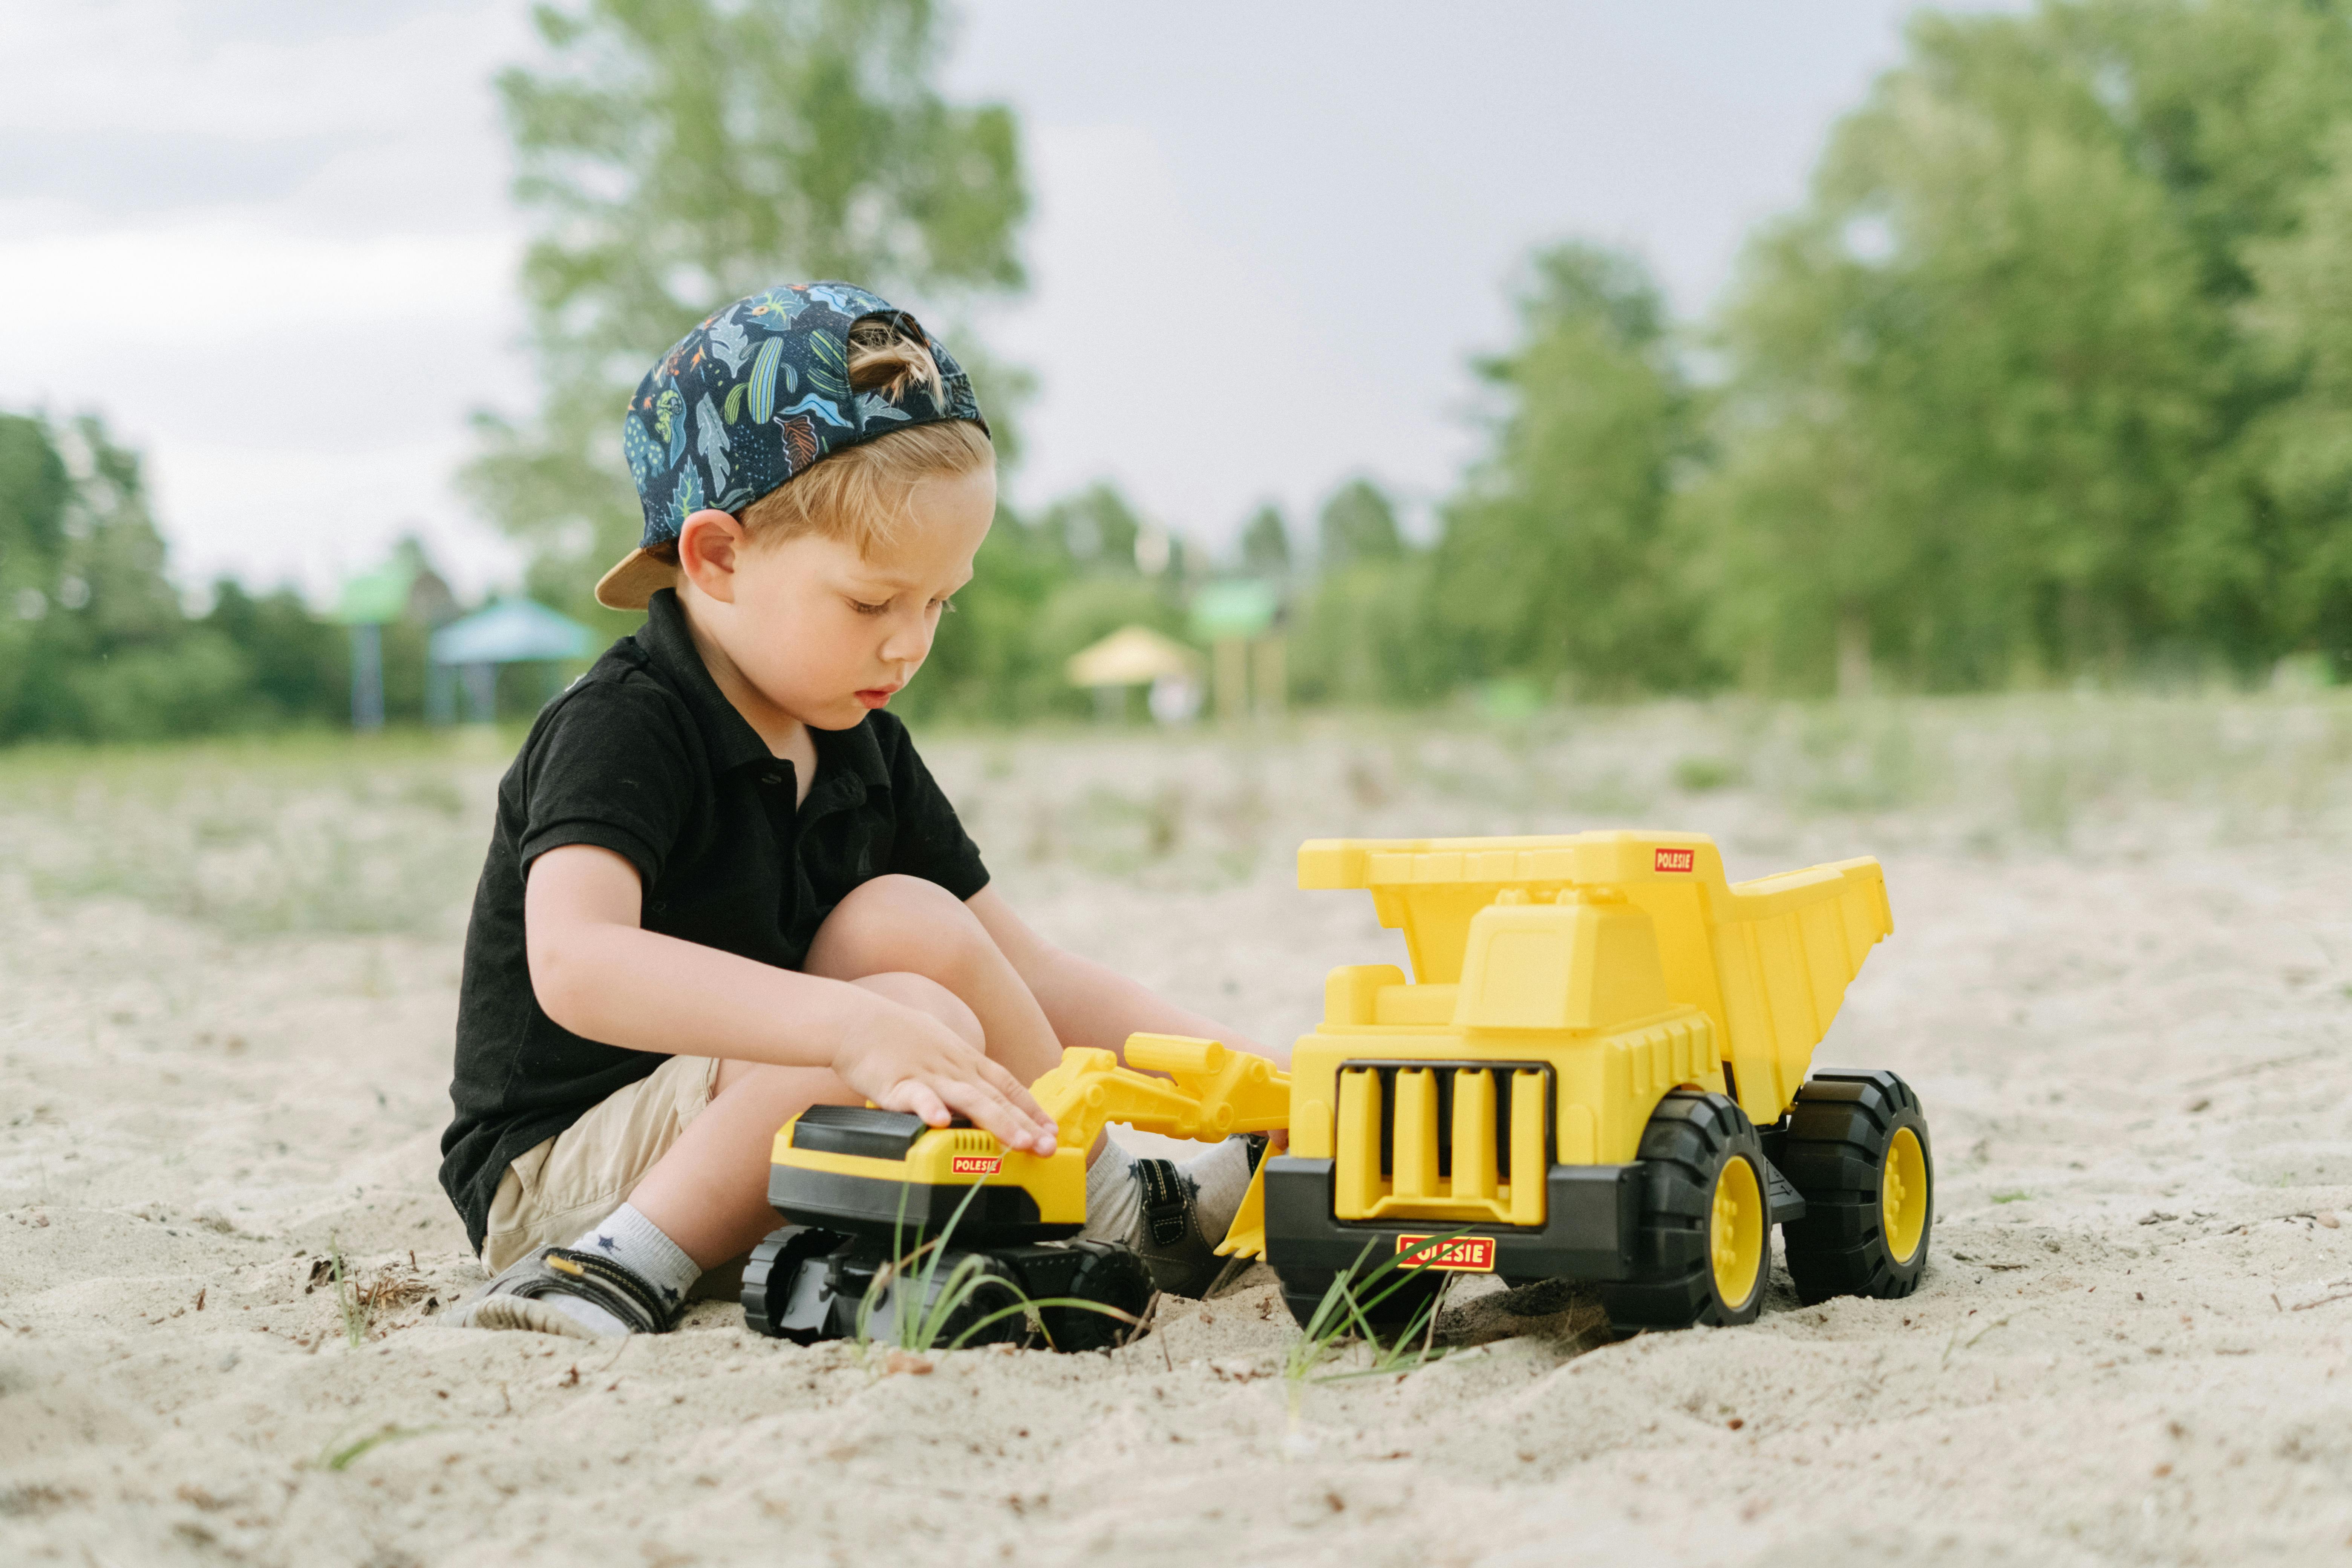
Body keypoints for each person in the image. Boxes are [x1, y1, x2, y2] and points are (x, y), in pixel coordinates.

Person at [438, 283, 1266, 1338]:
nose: (910, 643)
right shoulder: (626, 724)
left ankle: (1107, 1195)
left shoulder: (854, 734)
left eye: (939, 602)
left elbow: (1034, 977)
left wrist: (1252, 1079)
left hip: (780, 1105)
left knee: (912, 927)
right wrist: (854, 1025)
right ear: (718, 558)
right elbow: (578, 965)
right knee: (905, 1021)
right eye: (874, 603)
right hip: (569, 1171)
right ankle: (614, 1270)